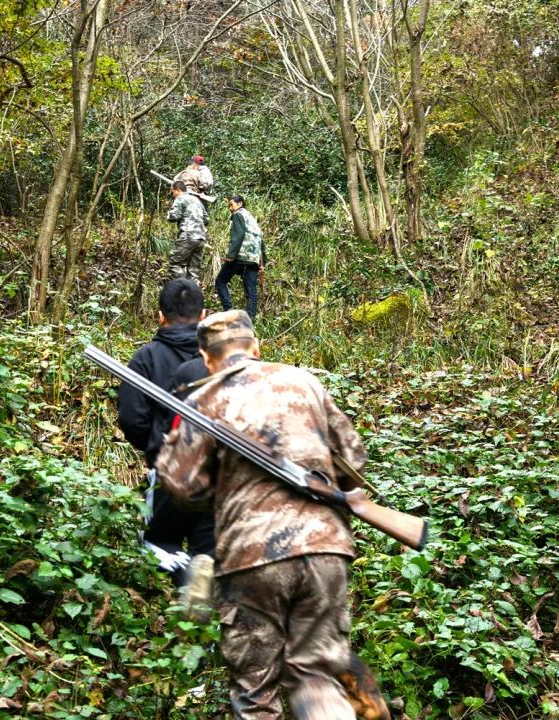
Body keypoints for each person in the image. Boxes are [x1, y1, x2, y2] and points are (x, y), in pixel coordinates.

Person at [156, 310, 378, 720]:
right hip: (326, 548)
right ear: (256, 347)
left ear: (206, 358)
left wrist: (225, 496)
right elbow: (354, 460)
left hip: (251, 557)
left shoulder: (204, 398)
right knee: (316, 678)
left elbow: (179, 484)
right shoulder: (306, 382)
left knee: (256, 692)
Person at [116, 279, 215, 584]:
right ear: (204, 316)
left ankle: (183, 577)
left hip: (167, 470)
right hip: (216, 474)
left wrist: (155, 447)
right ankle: (204, 604)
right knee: (208, 552)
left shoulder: (145, 358)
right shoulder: (217, 360)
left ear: (160, 315)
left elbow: (132, 419)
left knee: (156, 542)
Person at [216, 195, 266, 320]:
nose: (230, 208)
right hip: (253, 259)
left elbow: (238, 235)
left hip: (241, 256)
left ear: (240, 204)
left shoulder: (238, 215)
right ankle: (251, 319)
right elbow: (260, 240)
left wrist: (231, 255)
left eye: (231, 205)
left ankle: (229, 311)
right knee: (251, 290)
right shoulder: (252, 219)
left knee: (221, 281)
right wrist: (262, 262)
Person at [166, 180, 209, 282]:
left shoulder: (180, 198)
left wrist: (168, 213)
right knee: (194, 270)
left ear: (177, 190)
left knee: (176, 263)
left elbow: (174, 216)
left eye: (172, 192)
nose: (173, 195)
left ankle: (180, 290)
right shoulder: (196, 200)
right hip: (201, 238)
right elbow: (206, 219)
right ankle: (194, 294)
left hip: (188, 236)